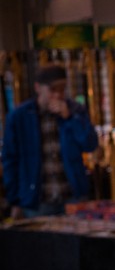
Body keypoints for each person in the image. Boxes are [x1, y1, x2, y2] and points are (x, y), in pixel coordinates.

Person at [2, 61, 98, 218]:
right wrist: (15, 200)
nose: (58, 95)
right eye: (53, 90)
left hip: (72, 196)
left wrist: (69, 119)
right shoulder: (20, 116)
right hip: (38, 199)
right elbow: (10, 160)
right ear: (38, 88)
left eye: (62, 90)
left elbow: (90, 144)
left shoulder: (75, 111)